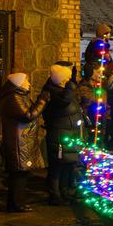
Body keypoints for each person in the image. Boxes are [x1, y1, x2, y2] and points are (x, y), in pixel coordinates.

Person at [0, 73, 49, 213]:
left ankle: (17, 203)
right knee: (18, 175)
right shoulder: (13, 98)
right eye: (26, 81)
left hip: (22, 141)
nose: (29, 84)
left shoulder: (20, 96)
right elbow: (28, 115)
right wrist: (42, 101)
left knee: (21, 174)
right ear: (18, 83)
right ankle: (16, 204)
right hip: (17, 143)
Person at [42, 62, 83, 205]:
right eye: (66, 78)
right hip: (59, 135)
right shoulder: (54, 92)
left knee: (67, 165)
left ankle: (64, 192)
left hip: (69, 134)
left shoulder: (63, 90)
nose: (68, 81)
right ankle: (55, 195)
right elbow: (64, 101)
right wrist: (71, 86)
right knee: (56, 167)